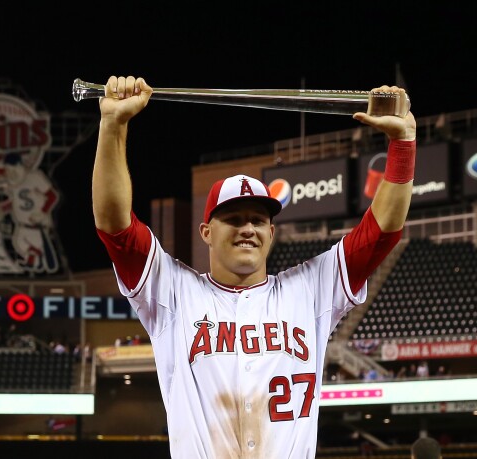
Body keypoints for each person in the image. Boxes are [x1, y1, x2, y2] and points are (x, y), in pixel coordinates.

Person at [92, 76, 416, 458]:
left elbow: (381, 234)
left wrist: (403, 145)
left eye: (258, 220)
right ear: (207, 231)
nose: (248, 229)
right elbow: (115, 225)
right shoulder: (173, 291)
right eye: (234, 218)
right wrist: (113, 124)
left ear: (272, 232)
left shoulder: (310, 289)